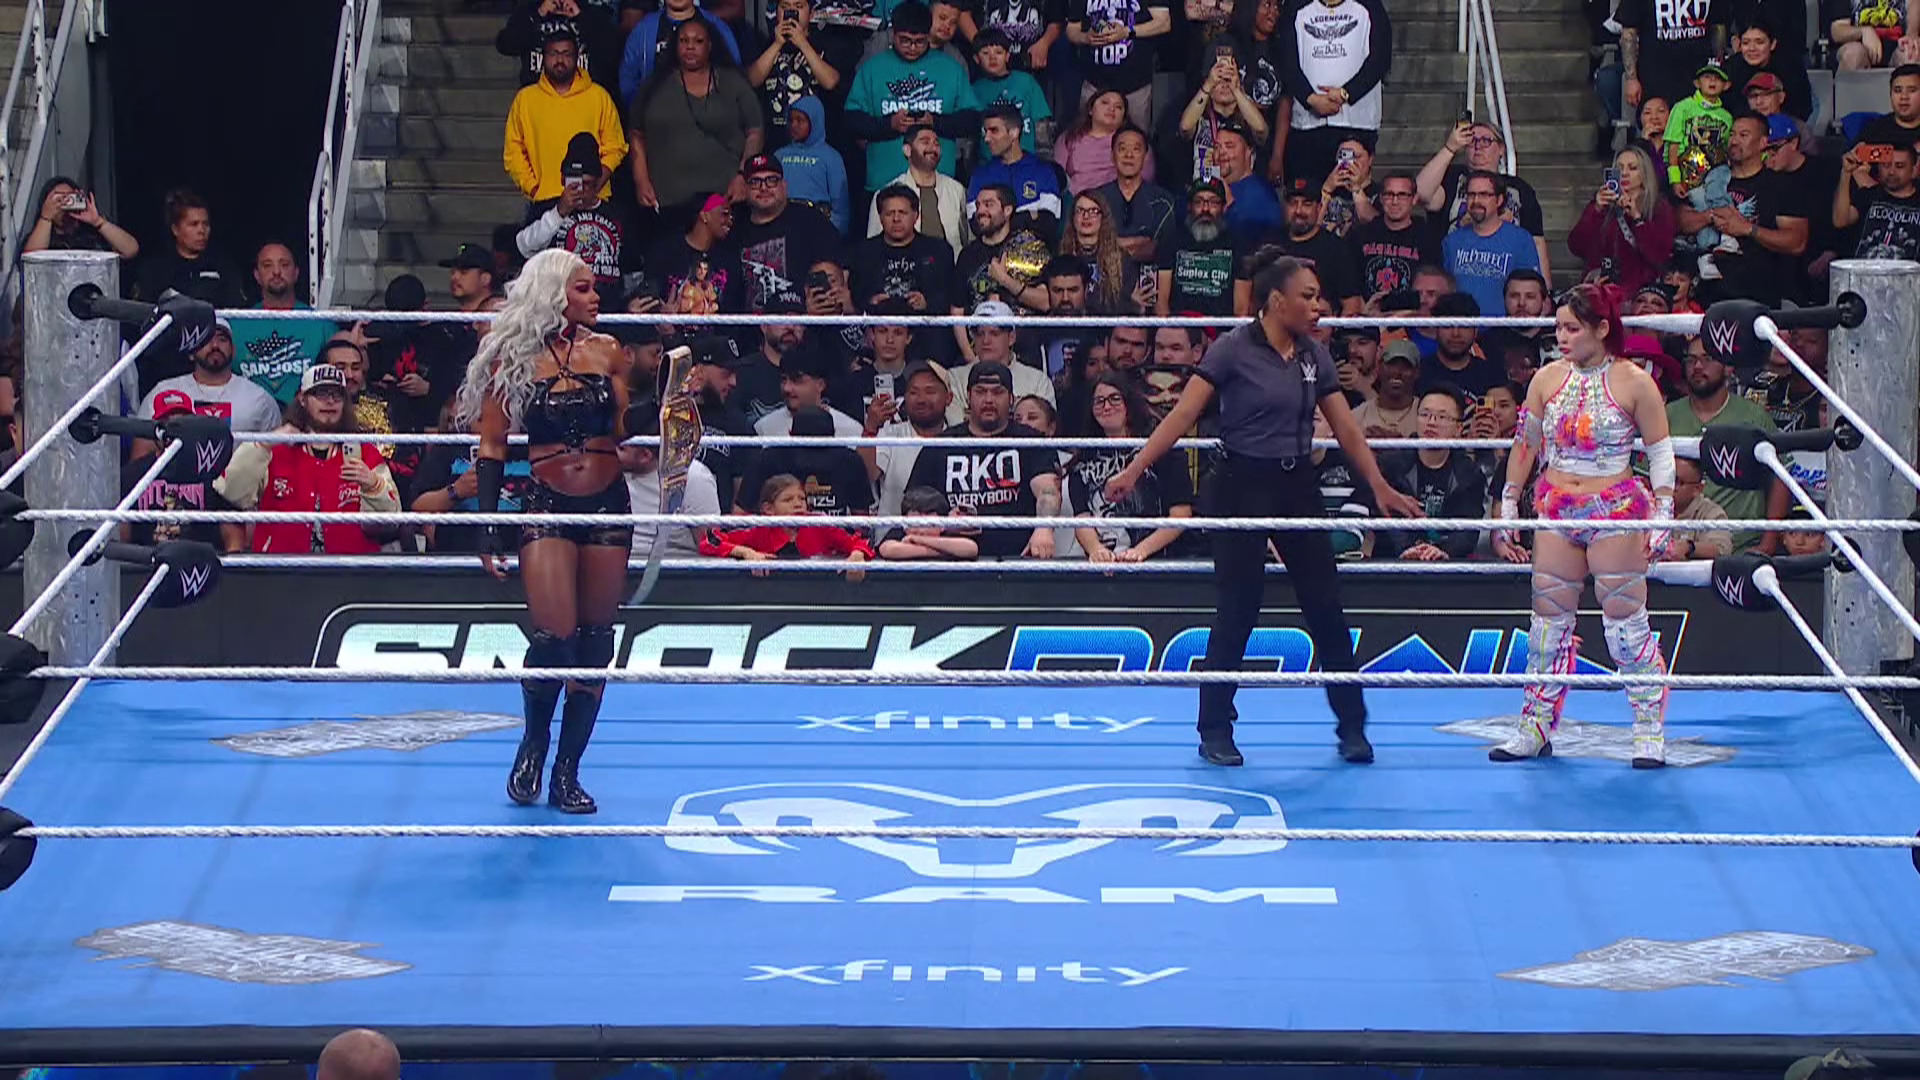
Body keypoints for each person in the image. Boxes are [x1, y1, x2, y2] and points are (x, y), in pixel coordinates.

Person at [1105, 251, 1420, 767]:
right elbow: (1182, 414)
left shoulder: (1314, 355)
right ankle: (1214, 729)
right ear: (1277, 301)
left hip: (1296, 487)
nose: (1318, 307)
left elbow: (1345, 427)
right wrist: (1134, 469)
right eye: (1308, 297)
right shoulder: (1232, 348)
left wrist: (1379, 484)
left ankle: (1352, 727)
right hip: (1239, 486)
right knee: (1238, 608)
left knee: (1325, 607)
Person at [455, 248, 640, 815]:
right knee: (555, 636)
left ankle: (567, 771)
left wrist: (671, 409)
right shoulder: (510, 357)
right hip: (546, 500)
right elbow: (492, 446)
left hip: (607, 503)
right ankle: (534, 742)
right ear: (554, 293)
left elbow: (626, 429)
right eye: (583, 288)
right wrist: (488, 526)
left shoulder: (608, 350)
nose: (596, 297)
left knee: (595, 641)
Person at [1490, 284, 1675, 768]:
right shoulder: (1546, 379)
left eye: (1572, 328)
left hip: (1613, 508)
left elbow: (1660, 453)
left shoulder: (1636, 383)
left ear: (1601, 328)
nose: (1562, 337)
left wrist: (1664, 511)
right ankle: (1535, 725)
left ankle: (1648, 728)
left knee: (1626, 627)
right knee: (1546, 628)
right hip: (1556, 508)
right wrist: (1509, 499)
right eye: (1558, 327)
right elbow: (1526, 443)